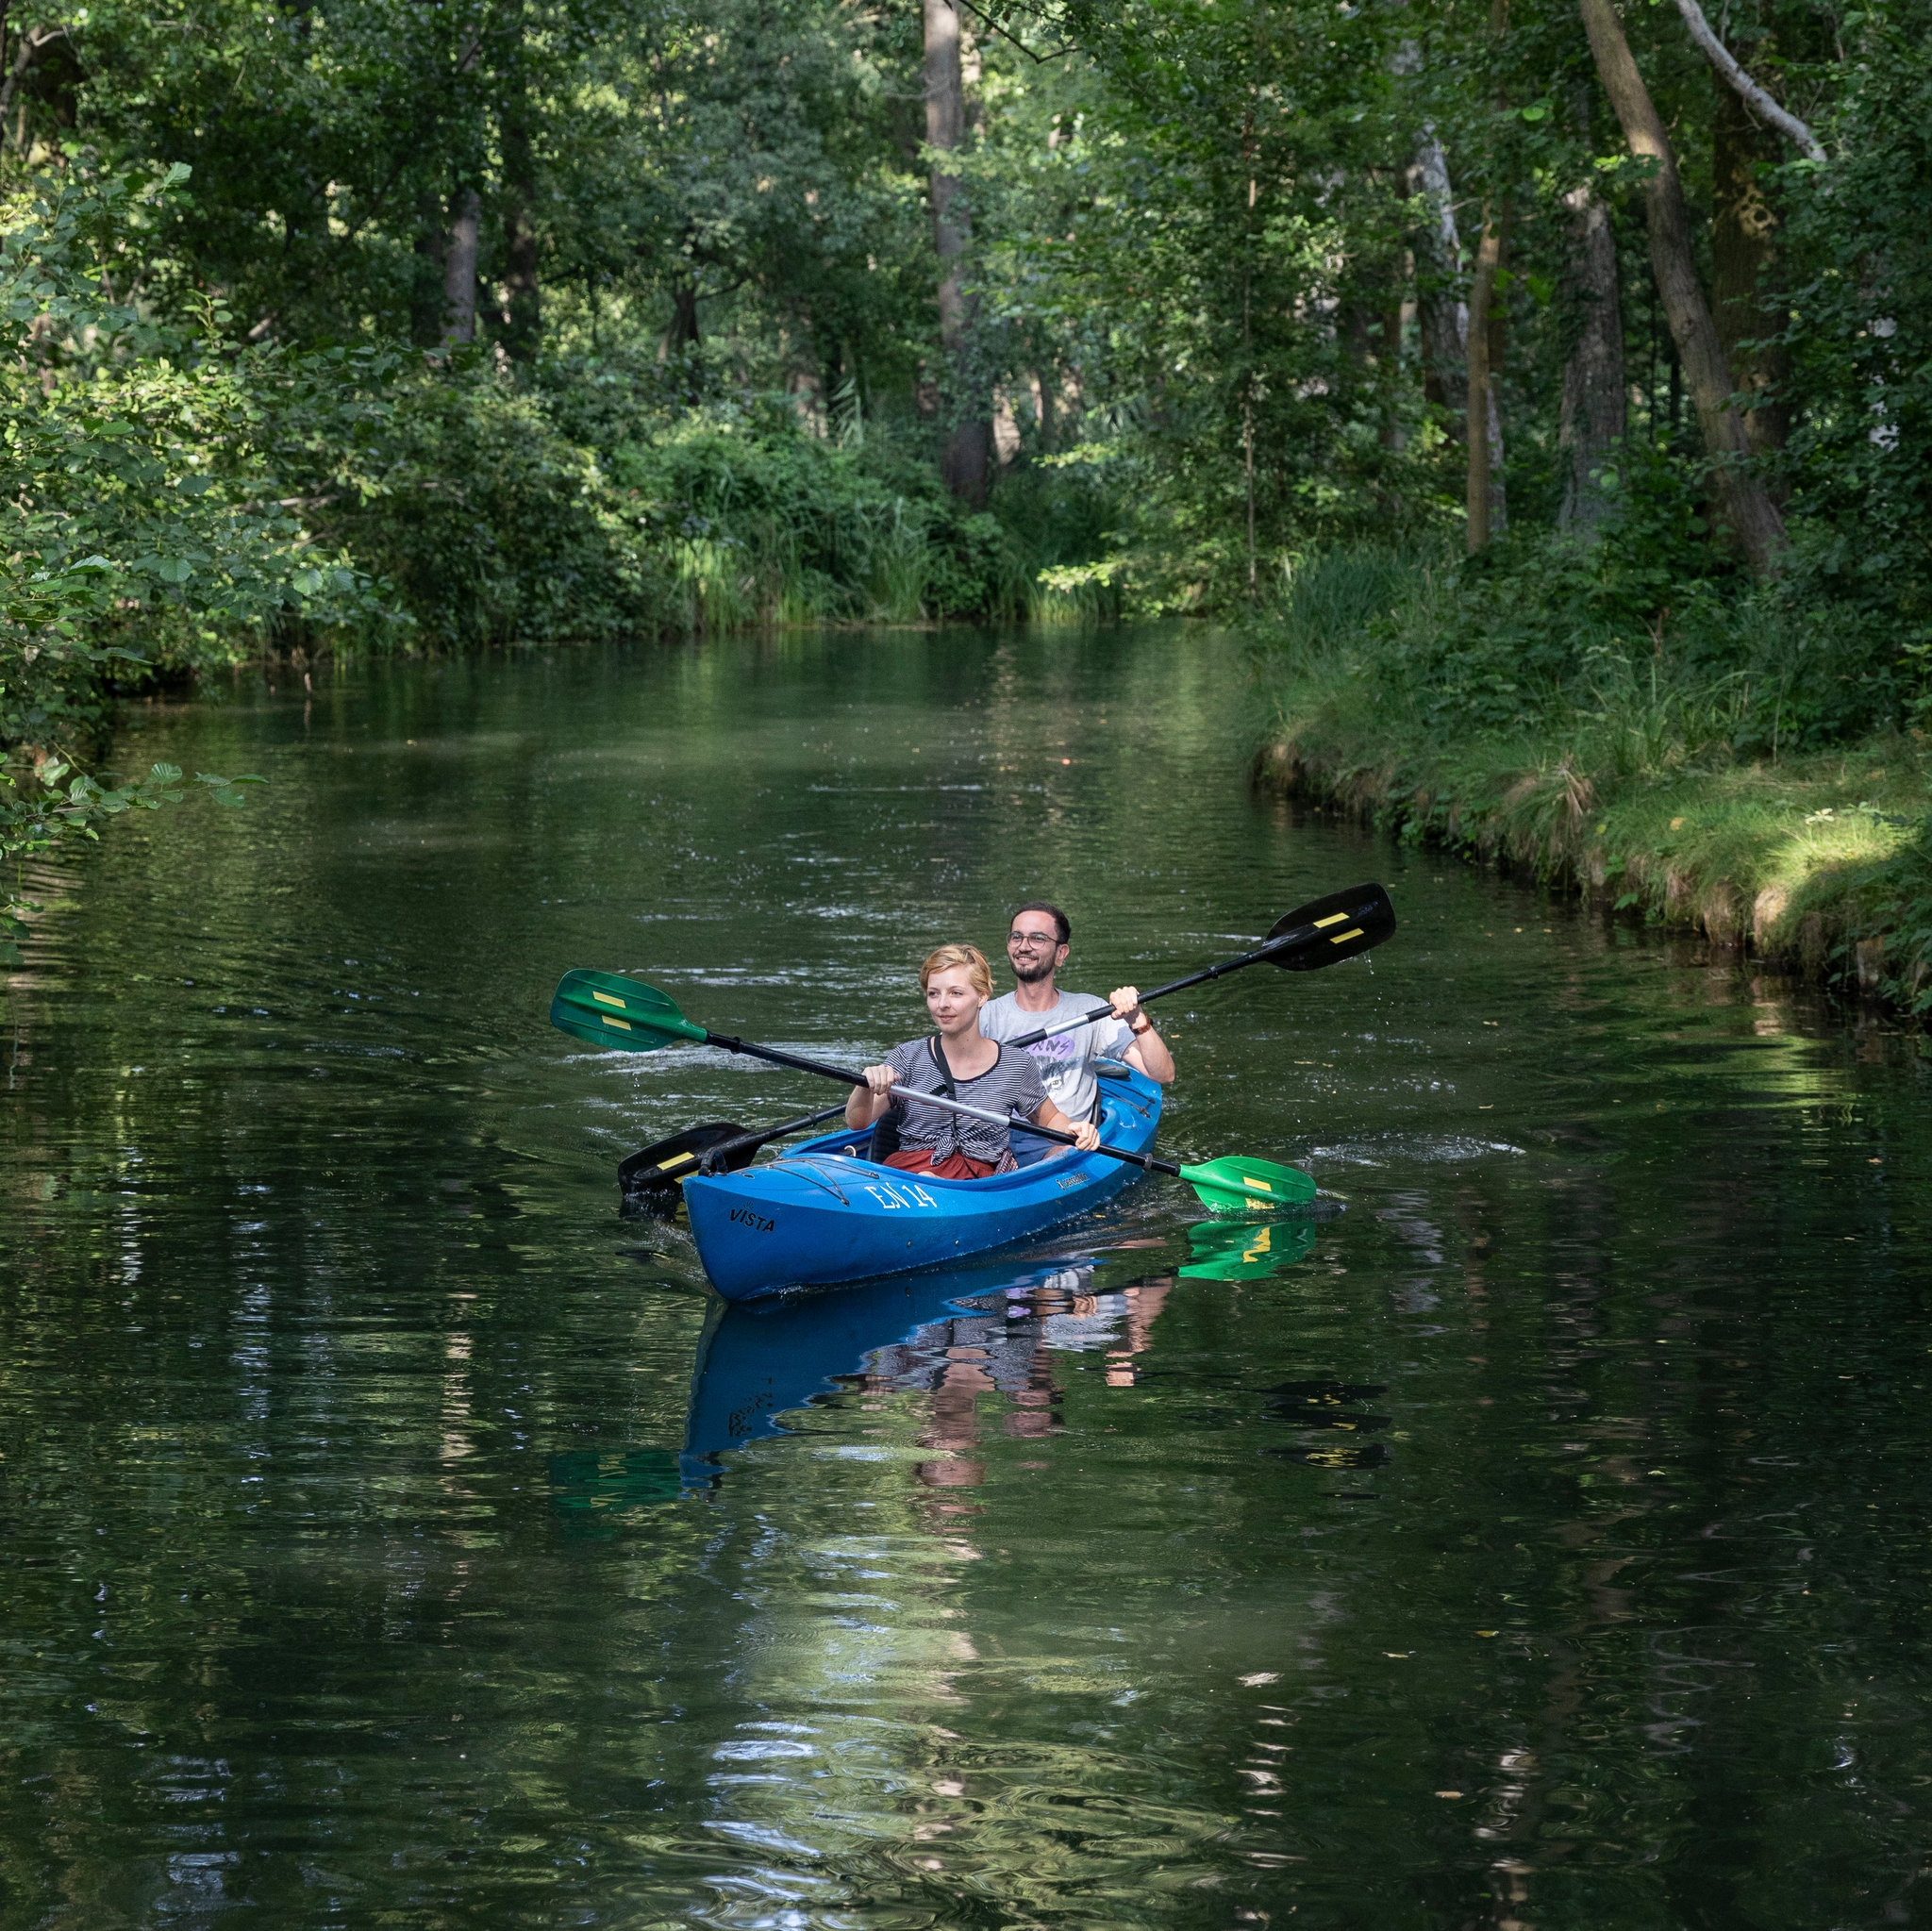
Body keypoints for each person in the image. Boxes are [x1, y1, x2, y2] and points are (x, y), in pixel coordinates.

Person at [845, 942, 1104, 1179]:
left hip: (978, 1182)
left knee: (931, 1180)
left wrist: (1076, 1129)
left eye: (956, 993)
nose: (942, 1004)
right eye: (934, 994)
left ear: (982, 996)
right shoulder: (907, 1057)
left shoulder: (1016, 1065)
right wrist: (865, 1084)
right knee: (925, 1178)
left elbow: (1049, 1119)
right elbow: (857, 1122)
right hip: (907, 1175)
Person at [980, 903, 1175, 1156]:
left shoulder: (1089, 1010)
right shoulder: (984, 1016)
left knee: (1056, 1153)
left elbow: (1162, 1074)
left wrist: (1137, 1018)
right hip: (994, 1145)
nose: (1023, 946)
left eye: (1037, 938)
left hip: (1061, 1145)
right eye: (1016, 937)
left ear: (1061, 954)